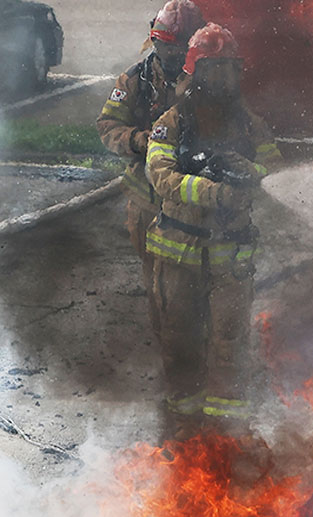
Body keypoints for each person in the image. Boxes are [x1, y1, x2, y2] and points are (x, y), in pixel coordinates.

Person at [144, 23, 283, 439]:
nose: (224, 79)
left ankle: (225, 434)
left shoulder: (249, 125)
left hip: (231, 261)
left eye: (229, 69)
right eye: (215, 69)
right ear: (196, 72)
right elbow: (161, 176)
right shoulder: (171, 122)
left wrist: (250, 172)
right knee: (179, 341)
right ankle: (183, 428)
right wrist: (213, 192)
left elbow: (276, 170)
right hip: (178, 254)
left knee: (229, 345)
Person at [97, 0, 205, 332]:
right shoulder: (135, 80)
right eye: (161, 44)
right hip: (146, 201)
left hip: (193, 200)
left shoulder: (209, 78)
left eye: (174, 47)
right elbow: (107, 127)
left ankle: (197, 341)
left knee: (198, 278)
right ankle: (169, 346)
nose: (166, 54)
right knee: (157, 281)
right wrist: (141, 140)